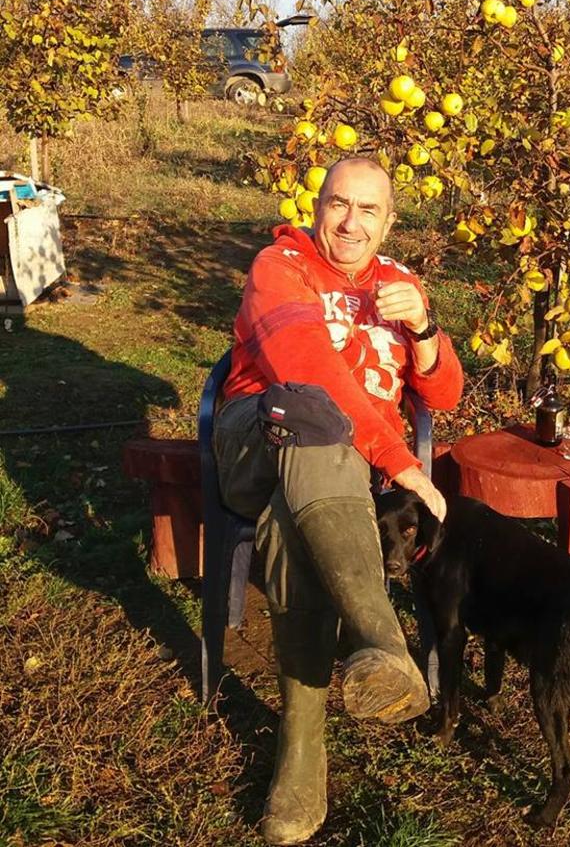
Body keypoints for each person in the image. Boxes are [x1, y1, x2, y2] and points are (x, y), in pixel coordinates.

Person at [212, 157, 463, 845]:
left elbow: (444, 395)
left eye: (369, 210)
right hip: (257, 438)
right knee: (311, 415)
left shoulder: (400, 284)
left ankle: (301, 752)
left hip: (339, 477)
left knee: (294, 522)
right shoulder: (280, 266)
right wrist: (399, 462)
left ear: (390, 222)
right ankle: (380, 639)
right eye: (339, 205)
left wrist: (424, 327)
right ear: (317, 206)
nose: (352, 223)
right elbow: (307, 368)